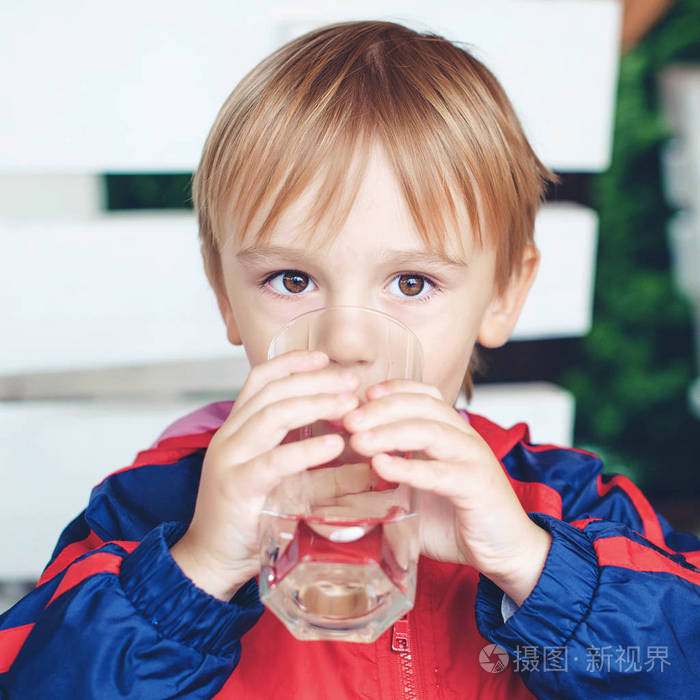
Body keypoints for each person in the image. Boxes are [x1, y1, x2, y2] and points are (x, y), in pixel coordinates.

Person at [1, 20, 699, 699]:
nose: (347, 341)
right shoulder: (156, 507)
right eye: (292, 280)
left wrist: (532, 567)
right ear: (225, 294)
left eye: (412, 283)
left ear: (503, 295)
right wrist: (197, 572)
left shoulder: (566, 507)